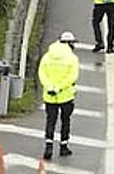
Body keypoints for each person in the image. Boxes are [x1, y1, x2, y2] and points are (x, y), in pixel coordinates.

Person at [38, 31, 80, 160]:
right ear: (69, 43)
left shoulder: (47, 56)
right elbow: (72, 77)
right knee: (65, 121)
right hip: (66, 95)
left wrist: (49, 87)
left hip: (49, 96)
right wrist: (59, 88)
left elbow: (42, 73)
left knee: (51, 120)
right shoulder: (72, 58)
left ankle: (48, 146)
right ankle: (63, 147)